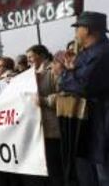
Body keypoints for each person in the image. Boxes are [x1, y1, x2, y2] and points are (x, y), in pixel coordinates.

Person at [59, 11, 109, 186]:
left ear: (87, 30)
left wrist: (65, 74)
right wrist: (70, 72)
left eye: (77, 28)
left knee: (103, 174)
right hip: (89, 126)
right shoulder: (87, 53)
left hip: (102, 125)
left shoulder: (103, 53)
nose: (75, 33)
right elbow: (74, 81)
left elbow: (83, 87)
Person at [24, 44, 63, 186]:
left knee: (55, 169)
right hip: (37, 130)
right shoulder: (28, 74)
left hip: (52, 129)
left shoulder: (54, 69)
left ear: (41, 55)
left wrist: (44, 101)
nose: (28, 61)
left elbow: (65, 95)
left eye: (30, 57)